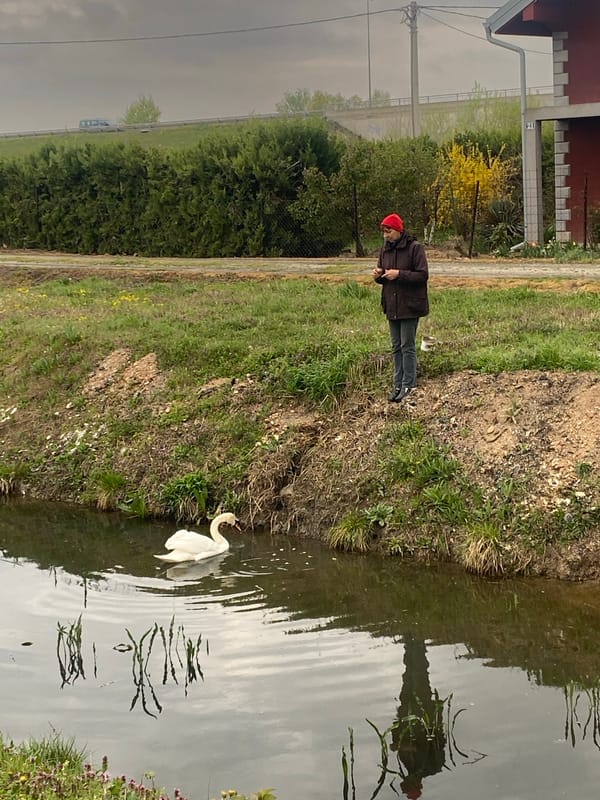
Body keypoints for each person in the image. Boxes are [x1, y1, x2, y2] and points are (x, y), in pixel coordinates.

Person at [372, 213, 429, 402]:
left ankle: (409, 384)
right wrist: (378, 276)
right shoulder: (385, 250)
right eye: (384, 233)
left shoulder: (415, 248)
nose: (386, 236)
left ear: (398, 230)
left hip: (410, 305)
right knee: (396, 346)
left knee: (407, 345)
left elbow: (422, 275)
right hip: (392, 304)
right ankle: (397, 383)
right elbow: (384, 276)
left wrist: (400, 274)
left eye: (389, 231)